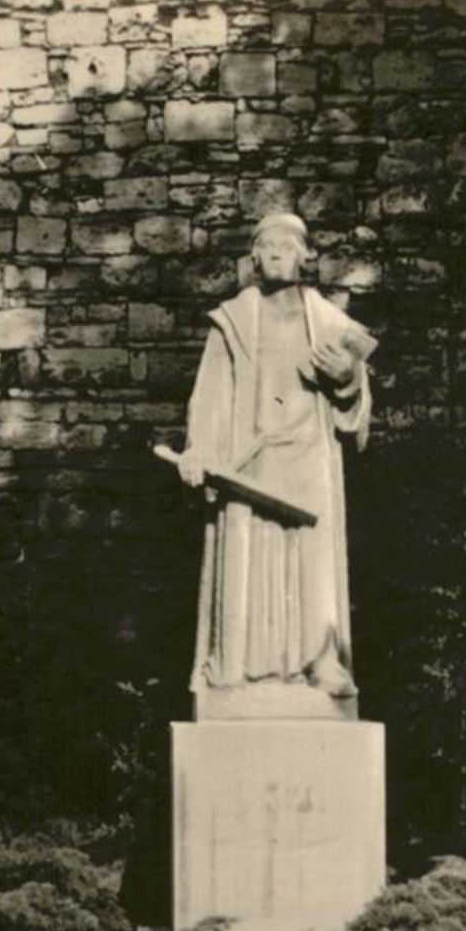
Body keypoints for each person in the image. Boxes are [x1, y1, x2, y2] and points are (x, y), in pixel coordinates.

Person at [177, 213, 376, 720]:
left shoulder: (329, 320)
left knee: (313, 563)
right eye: (267, 246)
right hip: (249, 458)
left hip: (309, 453)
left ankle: (321, 661)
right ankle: (238, 665)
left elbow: (356, 400)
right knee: (247, 557)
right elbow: (209, 396)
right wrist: (200, 448)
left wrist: (348, 379)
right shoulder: (234, 320)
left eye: (288, 245)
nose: (277, 252)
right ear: (254, 259)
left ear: (306, 255)